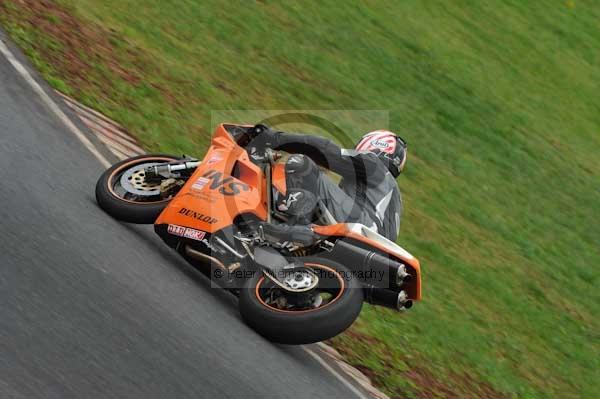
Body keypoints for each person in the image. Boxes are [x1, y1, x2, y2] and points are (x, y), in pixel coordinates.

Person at [249, 125, 407, 243]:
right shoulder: (392, 195)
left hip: (361, 229)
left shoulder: (374, 165)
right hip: (374, 248)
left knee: (302, 164)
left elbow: (327, 151)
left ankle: (297, 228)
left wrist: (276, 139)